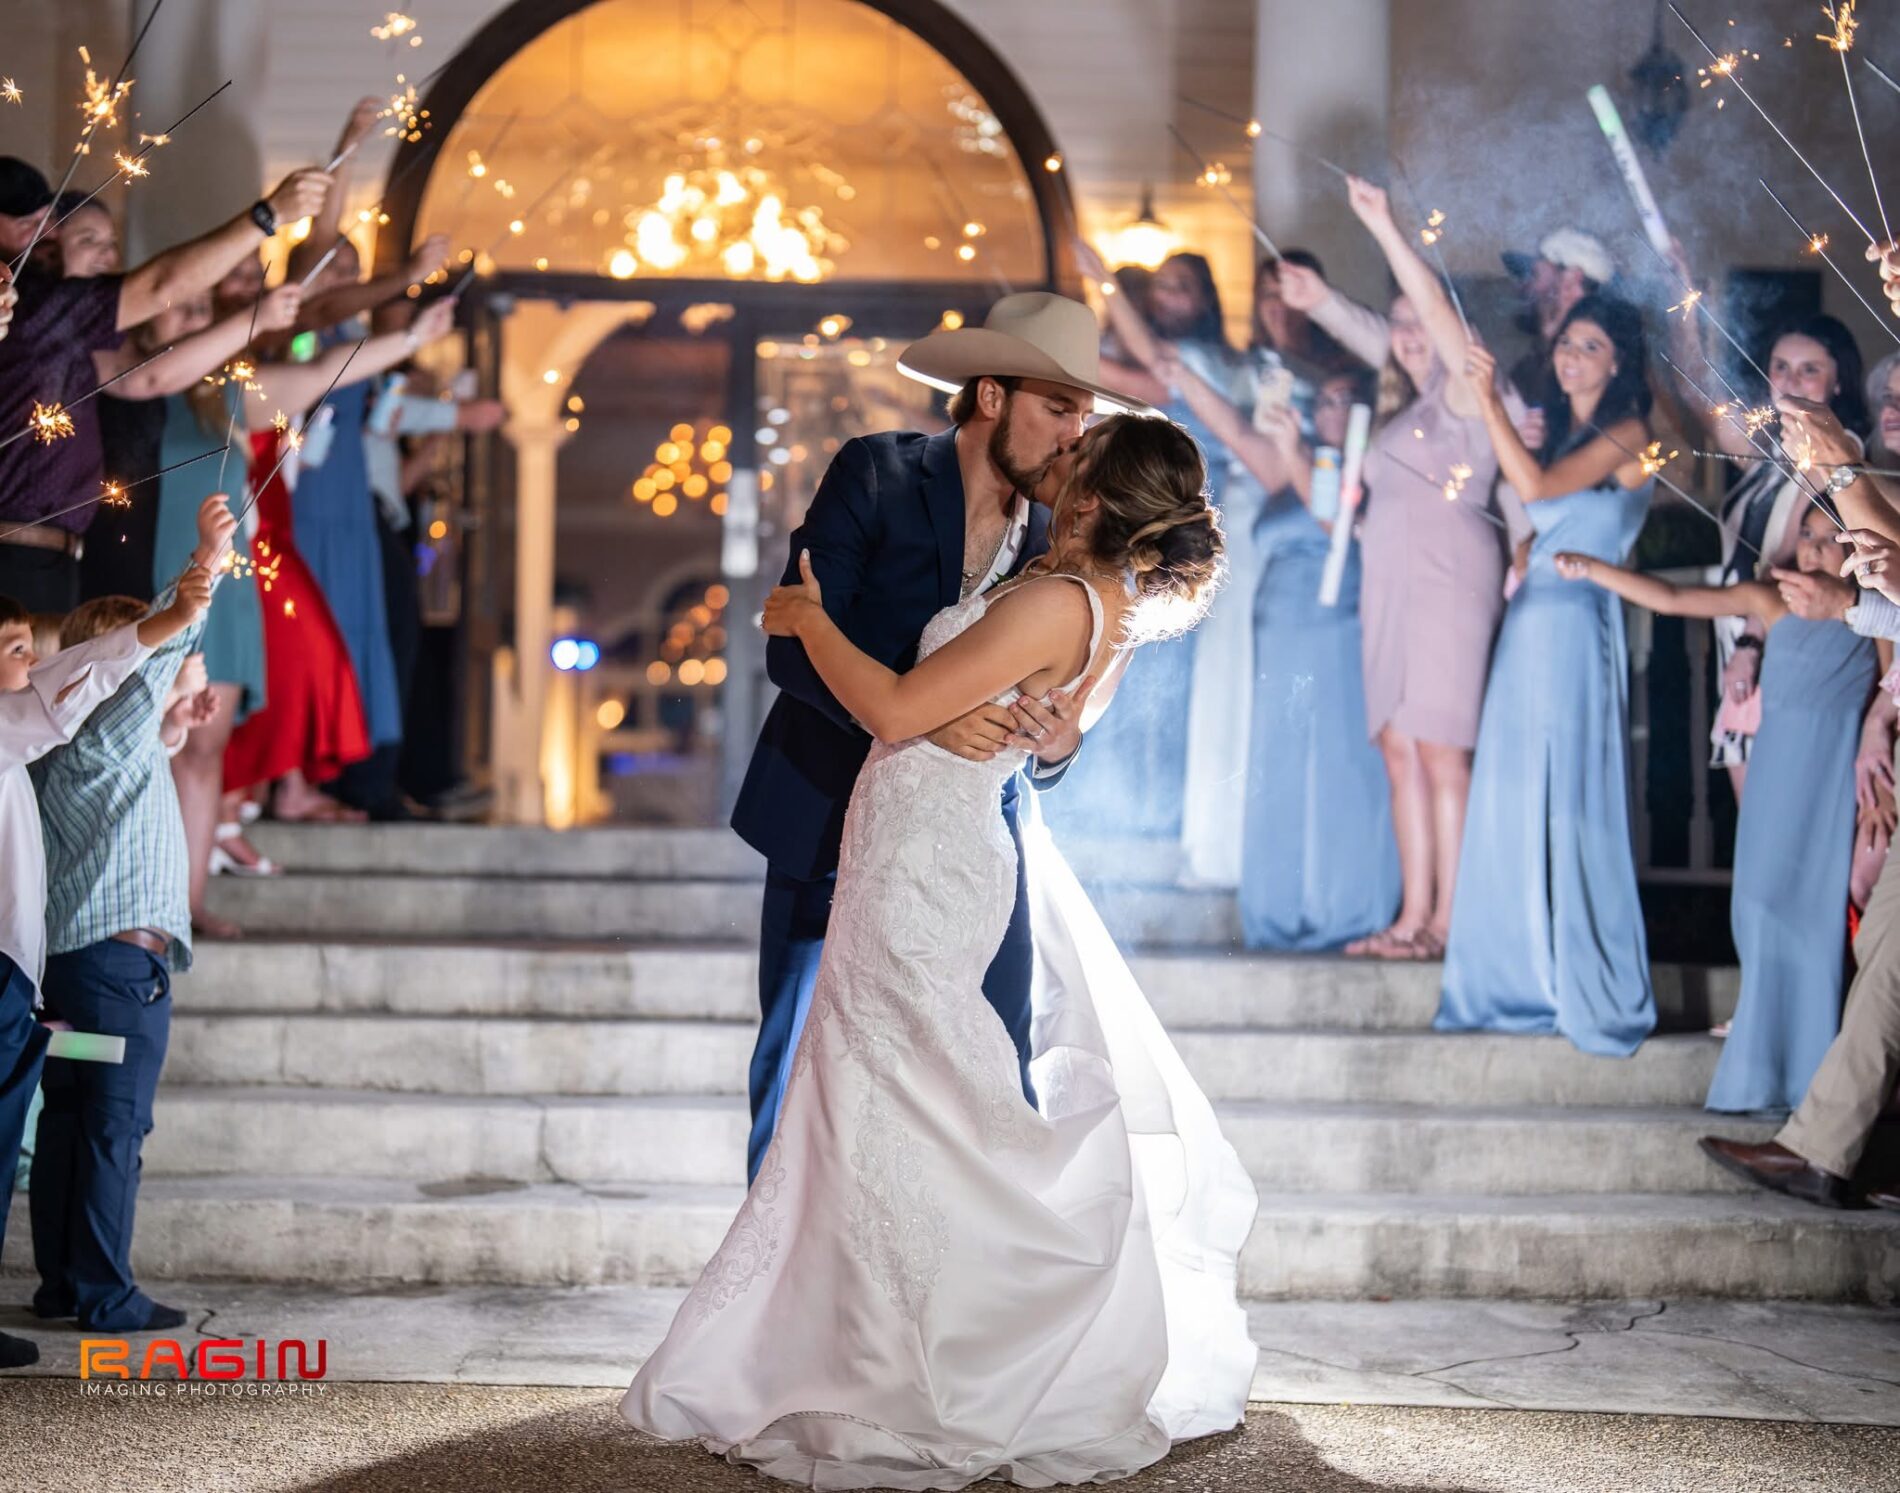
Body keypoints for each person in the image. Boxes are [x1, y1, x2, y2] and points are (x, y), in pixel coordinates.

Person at [625, 411, 1256, 1485]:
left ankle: (912, 1360)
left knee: (894, 1090)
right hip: (921, 846)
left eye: (1080, 451)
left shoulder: (1058, 596)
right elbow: (1047, 723)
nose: (1063, 452)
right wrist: (985, 717)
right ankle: (855, 1341)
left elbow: (893, 707)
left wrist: (811, 619)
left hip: (925, 862)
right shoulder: (1104, 600)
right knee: (888, 1096)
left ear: (1095, 498)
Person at [727, 292, 1104, 1185]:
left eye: (1085, 416)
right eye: (1059, 408)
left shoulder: (1058, 538)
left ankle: (998, 1255)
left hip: (966, 845)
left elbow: (1051, 718)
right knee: (795, 1061)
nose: (1074, 436)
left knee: (1001, 1059)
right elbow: (791, 646)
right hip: (826, 808)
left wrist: (1058, 747)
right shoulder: (876, 472)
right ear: (991, 396)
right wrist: (922, 714)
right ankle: (769, 1258)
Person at [1557, 503, 1876, 1112]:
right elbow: (1673, 599)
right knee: (1755, 910)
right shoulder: (1772, 602)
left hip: (1832, 781)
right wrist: (1595, 569)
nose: (1813, 548)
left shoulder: (1873, 616)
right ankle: (1756, 1076)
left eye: (1830, 538)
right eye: (1806, 534)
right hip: (1775, 775)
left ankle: (1812, 1086)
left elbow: (1890, 695)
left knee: (1813, 925)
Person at [1280, 178, 1515, 958]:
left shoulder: (1469, 395)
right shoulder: (1398, 413)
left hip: (1449, 585)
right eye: (1400, 325)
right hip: (1385, 589)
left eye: (1421, 323)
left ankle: (1450, 921)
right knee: (1398, 746)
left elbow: (1432, 319)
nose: (1408, 335)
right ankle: (1412, 917)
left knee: (1442, 747)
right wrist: (1316, 303)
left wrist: (1382, 227)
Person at [27, 496, 233, 1335]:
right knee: (114, 1126)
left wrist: (176, 723)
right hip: (120, 974)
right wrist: (206, 557)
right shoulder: (114, 715)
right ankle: (105, 1294)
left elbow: (144, 746)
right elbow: (162, 645)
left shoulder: (60, 739)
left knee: (70, 1117)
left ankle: (62, 1282)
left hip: (72, 973)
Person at [1436, 298, 1658, 1056]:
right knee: (1514, 790)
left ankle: (1570, 974)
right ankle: (1511, 970)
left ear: (1618, 361)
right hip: (1529, 622)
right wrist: (1529, 546)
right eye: (1567, 342)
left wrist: (1489, 398)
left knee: (1569, 795)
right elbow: (1543, 510)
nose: (1571, 356)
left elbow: (1535, 487)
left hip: (1575, 627)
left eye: (1590, 346)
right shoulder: (1564, 433)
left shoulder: (1631, 432)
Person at [0, 156, 329, 611]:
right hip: (22, 557)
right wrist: (267, 215)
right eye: (34, 225)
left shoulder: (59, 319)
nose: (107, 256)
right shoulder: (40, 309)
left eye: (49, 222)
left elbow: (154, 361)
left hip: (57, 561)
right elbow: (160, 294)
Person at [220, 294, 461, 827]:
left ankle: (278, 787)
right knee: (287, 656)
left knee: (301, 657)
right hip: (253, 536)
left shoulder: (279, 372)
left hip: (277, 527)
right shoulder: (234, 381)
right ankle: (251, 793)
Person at [1501, 227, 1617, 401]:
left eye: (1534, 275)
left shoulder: (1589, 376)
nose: (1523, 287)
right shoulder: (1527, 371)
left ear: (1571, 283)